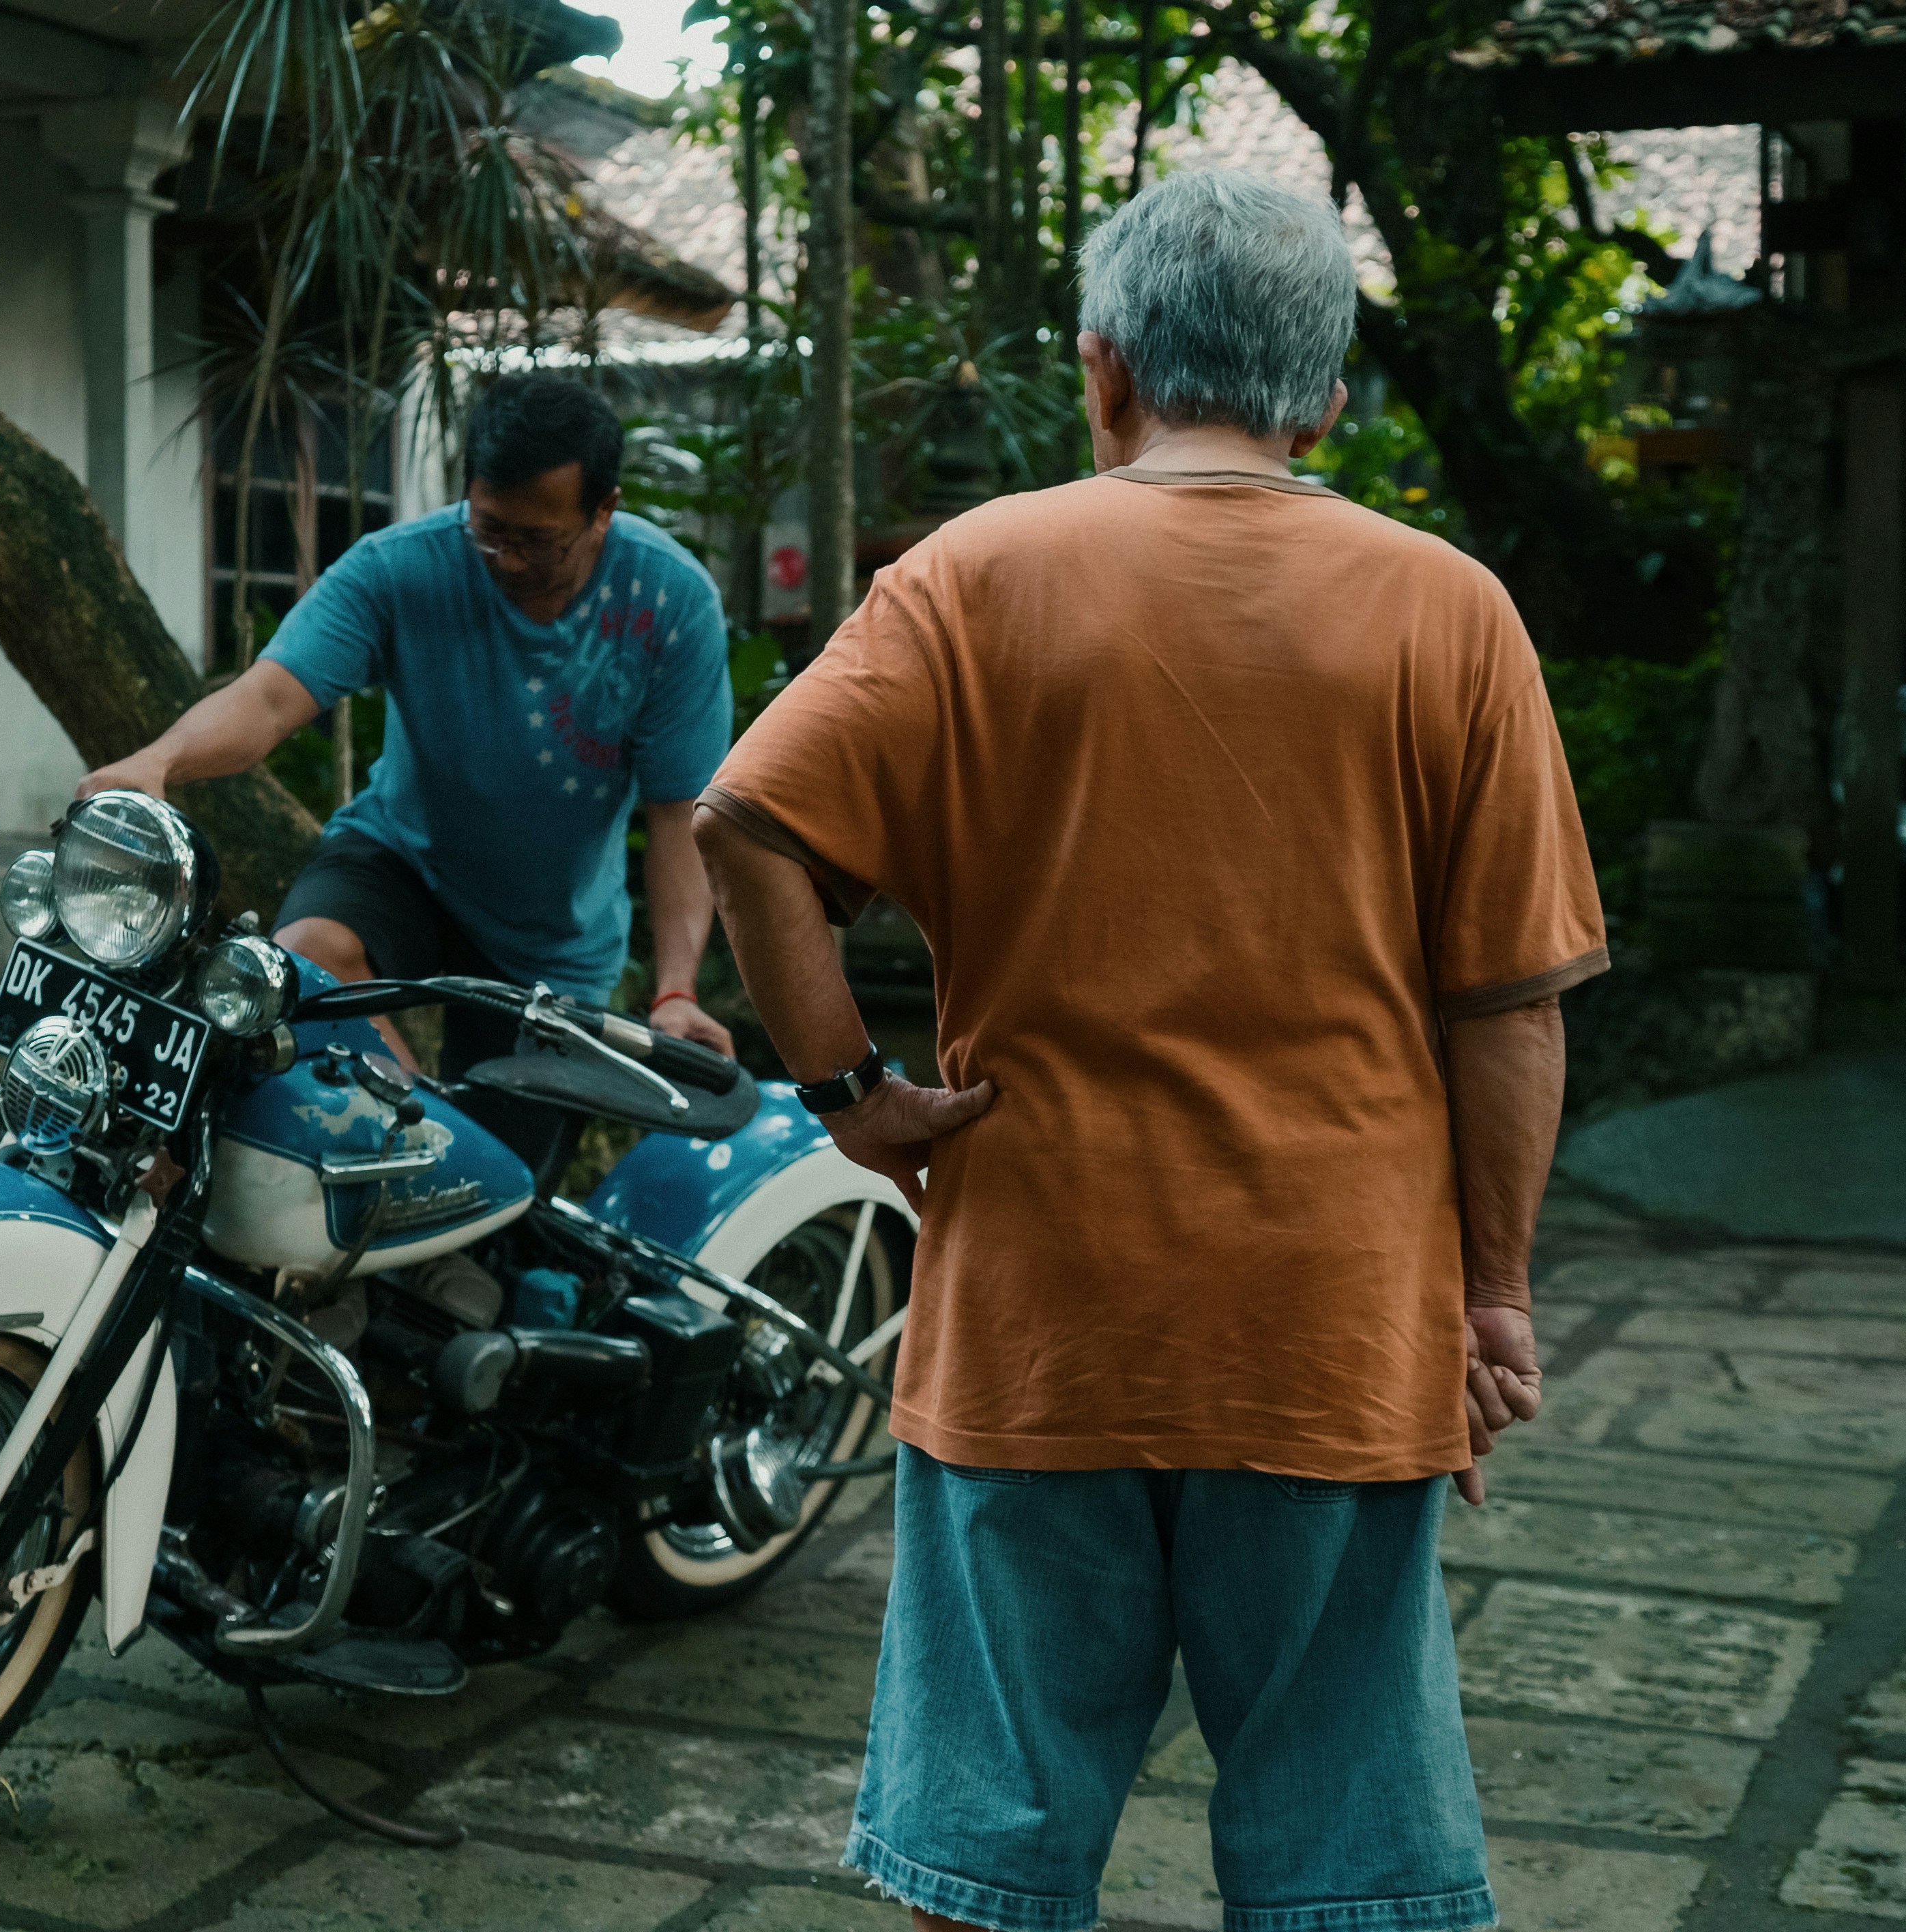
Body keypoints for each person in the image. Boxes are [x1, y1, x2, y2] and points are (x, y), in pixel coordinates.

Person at [695, 169, 1594, 1932]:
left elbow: (747, 828)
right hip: (1330, 1326)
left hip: (1041, 1313)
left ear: (1103, 375)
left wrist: (853, 1100)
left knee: (989, 1859)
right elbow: (1508, 1007)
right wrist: (1490, 1297)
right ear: (1327, 395)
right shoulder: (1447, 612)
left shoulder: (975, 578)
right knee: (1346, 1862)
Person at [78, 375, 735, 1078]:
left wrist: (674, 992)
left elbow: (677, 816)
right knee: (304, 965)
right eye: (490, 531)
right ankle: (414, 1127)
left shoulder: (669, 601)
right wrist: (161, 761)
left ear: (604, 510)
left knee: (509, 1167)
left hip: (555, 937)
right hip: (404, 864)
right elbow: (268, 699)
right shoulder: (398, 569)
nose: (508, 559)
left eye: (537, 542)